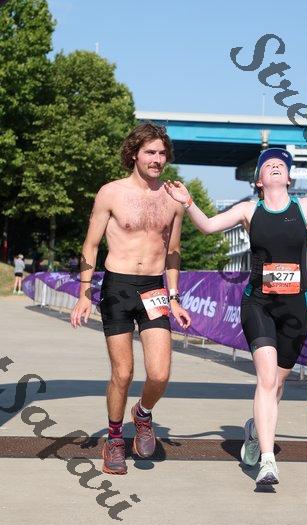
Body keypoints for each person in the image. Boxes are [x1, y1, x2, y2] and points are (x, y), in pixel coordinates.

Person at [164, 147, 307, 488]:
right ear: (259, 181)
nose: (275, 166)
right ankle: (267, 460)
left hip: (296, 309)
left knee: (276, 384)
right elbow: (209, 227)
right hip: (258, 305)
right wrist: (188, 202)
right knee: (265, 380)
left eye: (281, 165)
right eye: (268, 165)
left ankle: (253, 429)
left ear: (289, 178)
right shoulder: (249, 210)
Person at [70, 123, 191, 475]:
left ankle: (143, 414)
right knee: (122, 373)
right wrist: (84, 292)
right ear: (134, 154)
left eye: (162, 153)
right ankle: (114, 440)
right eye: (150, 152)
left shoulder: (173, 198)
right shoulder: (111, 193)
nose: (157, 159)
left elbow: (173, 251)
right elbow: (91, 244)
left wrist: (175, 296)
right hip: (118, 287)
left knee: (160, 373)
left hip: (154, 288)